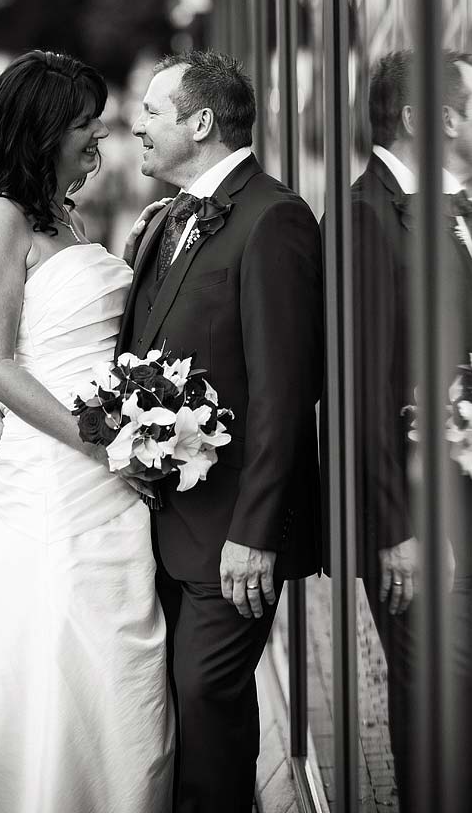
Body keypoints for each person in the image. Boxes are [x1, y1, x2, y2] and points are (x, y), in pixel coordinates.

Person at [0, 50, 174, 813]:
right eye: (84, 124)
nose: (99, 137)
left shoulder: (66, 214)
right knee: (60, 644)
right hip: (65, 473)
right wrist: (103, 443)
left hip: (111, 477)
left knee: (119, 656)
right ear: (43, 130)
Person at [121, 49, 323, 813]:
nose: (134, 125)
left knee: (207, 697)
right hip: (167, 526)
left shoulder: (275, 218)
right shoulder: (170, 218)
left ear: (201, 123)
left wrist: (257, 531)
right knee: (179, 706)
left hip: (234, 535)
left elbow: (283, 391)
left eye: (151, 111)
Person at [329, 48, 472, 812]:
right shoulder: (366, 214)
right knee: (439, 708)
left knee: (465, 705)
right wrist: (399, 529)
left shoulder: (463, 210)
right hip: (415, 525)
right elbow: (359, 387)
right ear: (431, 120)